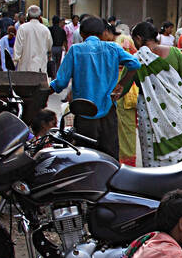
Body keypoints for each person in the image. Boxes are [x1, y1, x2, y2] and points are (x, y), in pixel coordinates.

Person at [50, 16, 140, 161]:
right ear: (102, 32)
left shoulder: (75, 50)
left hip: (84, 113)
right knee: (110, 155)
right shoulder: (113, 48)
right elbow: (135, 64)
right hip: (108, 110)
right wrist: (121, 84)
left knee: (86, 157)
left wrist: (45, 91)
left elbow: (60, 83)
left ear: (82, 33)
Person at [129, 20, 182, 166]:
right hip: (176, 108)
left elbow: (124, 87)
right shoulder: (175, 52)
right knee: (181, 147)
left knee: (152, 147)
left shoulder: (136, 59)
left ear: (139, 39)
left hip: (149, 111)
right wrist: (177, 95)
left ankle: (156, 181)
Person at [112, 28, 139, 167]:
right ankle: (128, 161)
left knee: (117, 130)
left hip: (117, 89)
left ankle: (119, 160)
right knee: (128, 131)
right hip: (128, 92)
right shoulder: (128, 45)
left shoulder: (114, 46)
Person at [11, 6, 51, 75]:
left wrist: (13, 64)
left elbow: (17, 49)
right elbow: (49, 47)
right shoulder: (45, 30)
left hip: (25, 69)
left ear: (28, 16)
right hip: (40, 69)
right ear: (39, 17)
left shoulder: (22, 28)